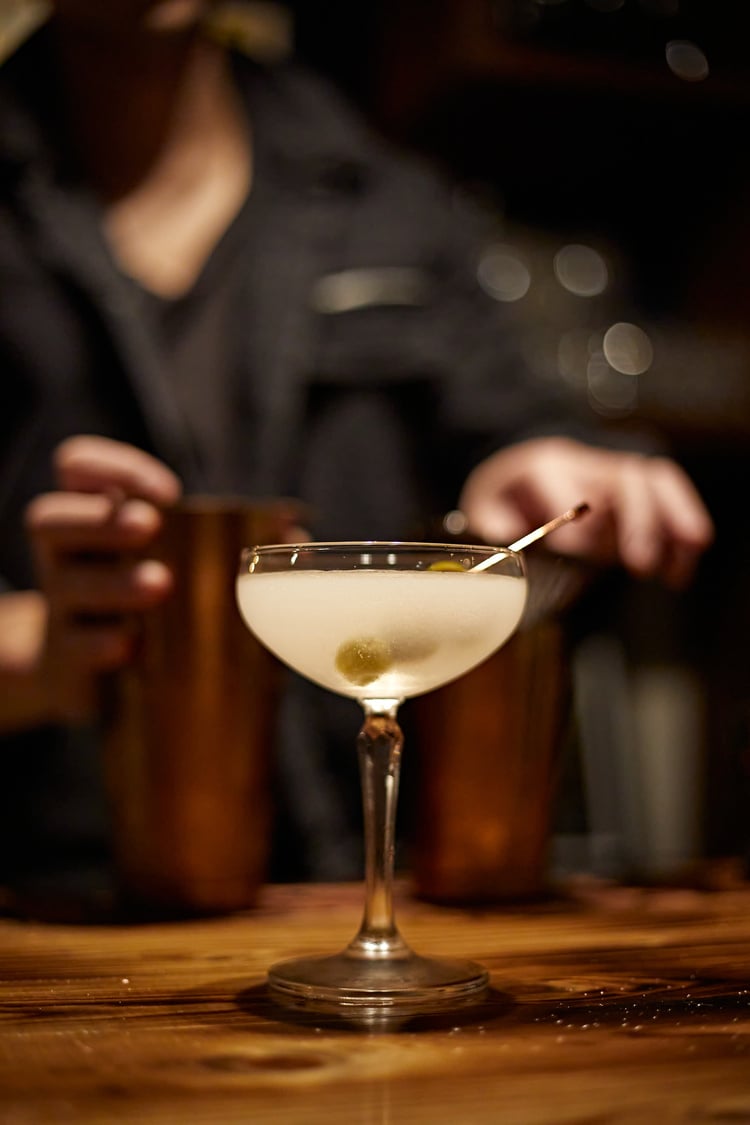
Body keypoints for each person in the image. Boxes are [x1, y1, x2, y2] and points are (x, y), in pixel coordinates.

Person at [0, 0, 713, 899]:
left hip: (346, 877)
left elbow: (507, 420)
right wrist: (32, 650)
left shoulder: (385, 194)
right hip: (47, 906)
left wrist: (529, 462)